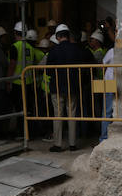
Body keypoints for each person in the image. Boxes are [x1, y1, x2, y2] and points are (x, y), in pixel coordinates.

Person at [46, 24, 86, 152]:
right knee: (72, 114)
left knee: (58, 114)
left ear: (57, 37)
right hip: (72, 86)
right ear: (68, 36)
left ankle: (57, 144)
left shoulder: (53, 51)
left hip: (57, 87)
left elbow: (48, 71)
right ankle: (72, 144)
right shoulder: (77, 49)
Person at [8, 22, 45, 137]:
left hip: (17, 83)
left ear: (15, 33)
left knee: (20, 110)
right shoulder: (30, 47)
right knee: (28, 109)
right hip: (29, 83)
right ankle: (30, 132)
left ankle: (21, 133)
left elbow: (12, 65)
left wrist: (8, 81)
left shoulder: (15, 47)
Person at [100, 44, 115, 143]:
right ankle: (105, 137)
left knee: (107, 111)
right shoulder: (112, 51)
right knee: (109, 111)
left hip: (110, 82)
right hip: (118, 82)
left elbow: (103, 66)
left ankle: (104, 138)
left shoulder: (112, 51)